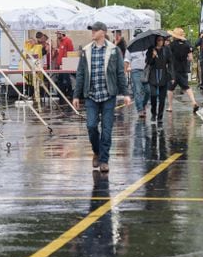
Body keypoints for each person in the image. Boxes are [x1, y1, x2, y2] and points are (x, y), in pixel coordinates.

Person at [73, 21, 131, 173]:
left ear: (103, 32)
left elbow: (120, 73)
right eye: (92, 30)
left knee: (107, 129)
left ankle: (104, 160)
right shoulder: (86, 51)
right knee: (91, 126)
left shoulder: (114, 50)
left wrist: (125, 94)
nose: (92, 32)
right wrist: (76, 96)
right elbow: (80, 74)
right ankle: (97, 151)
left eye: (95, 30)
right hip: (91, 95)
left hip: (108, 95)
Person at [167, 28, 200, 113]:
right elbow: (190, 58)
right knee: (186, 87)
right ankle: (194, 102)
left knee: (170, 88)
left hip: (174, 69)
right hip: (183, 68)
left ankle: (170, 107)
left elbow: (168, 57)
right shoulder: (187, 45)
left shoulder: (171, 45)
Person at [146, 35, 173, 124]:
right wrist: (153, 56)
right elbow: (148, 62)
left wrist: (172, 76)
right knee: (153, 95)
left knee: (162, 98)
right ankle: (153, 113)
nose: (160, 42)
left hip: (163, 75)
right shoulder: (151, 49)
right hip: (153, 74)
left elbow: (170, 62)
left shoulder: (166, 49)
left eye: (162, 40)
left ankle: (160, 116)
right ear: (155, 41)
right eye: (158, 40)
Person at [124, 36, 150, 119]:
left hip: (145, 71)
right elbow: (127, 60)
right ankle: (140, 110)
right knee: (138, 90)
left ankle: (143, 104)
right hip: (135, 71)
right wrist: (124, 70)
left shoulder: (147, 47)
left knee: (148, 91)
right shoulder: (130, 47)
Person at [55, 30, 75, 104]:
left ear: (61, 34)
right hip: (61, 65)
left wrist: (67, 63)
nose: (57, 36)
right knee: (60, 81)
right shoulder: (61, 42)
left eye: (58, 34)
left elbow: (70, 52)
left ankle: (69, 94)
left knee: (66, 80)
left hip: (65, 64)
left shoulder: (68, 41)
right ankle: (62, 95)